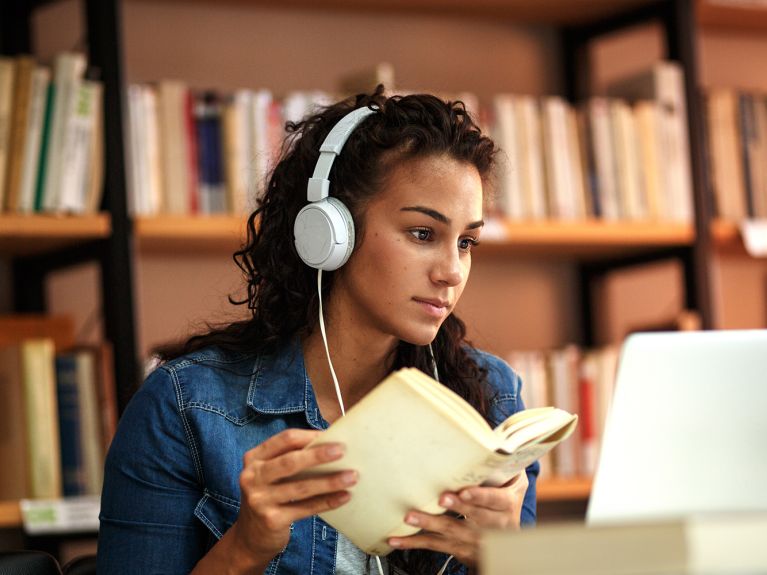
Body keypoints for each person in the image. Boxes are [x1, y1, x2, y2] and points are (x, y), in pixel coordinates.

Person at [97, 87, 539, 575]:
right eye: (422, 234)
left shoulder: (491, 400)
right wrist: (244, 548)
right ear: (330, 233)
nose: (452, 271)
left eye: (466, 241)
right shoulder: (185, 408)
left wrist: (506, 557)